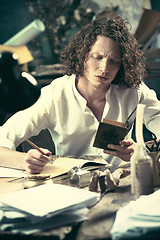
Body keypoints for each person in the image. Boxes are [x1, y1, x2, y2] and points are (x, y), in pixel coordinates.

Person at [0, 16, 160, 174]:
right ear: (82, 55)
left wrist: (139, 150)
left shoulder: (133, 90)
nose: (104, 68)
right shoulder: (54, 95)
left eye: (114, 61)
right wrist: (24, 161)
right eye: (97, 58)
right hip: (73, 186)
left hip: (121, 184)